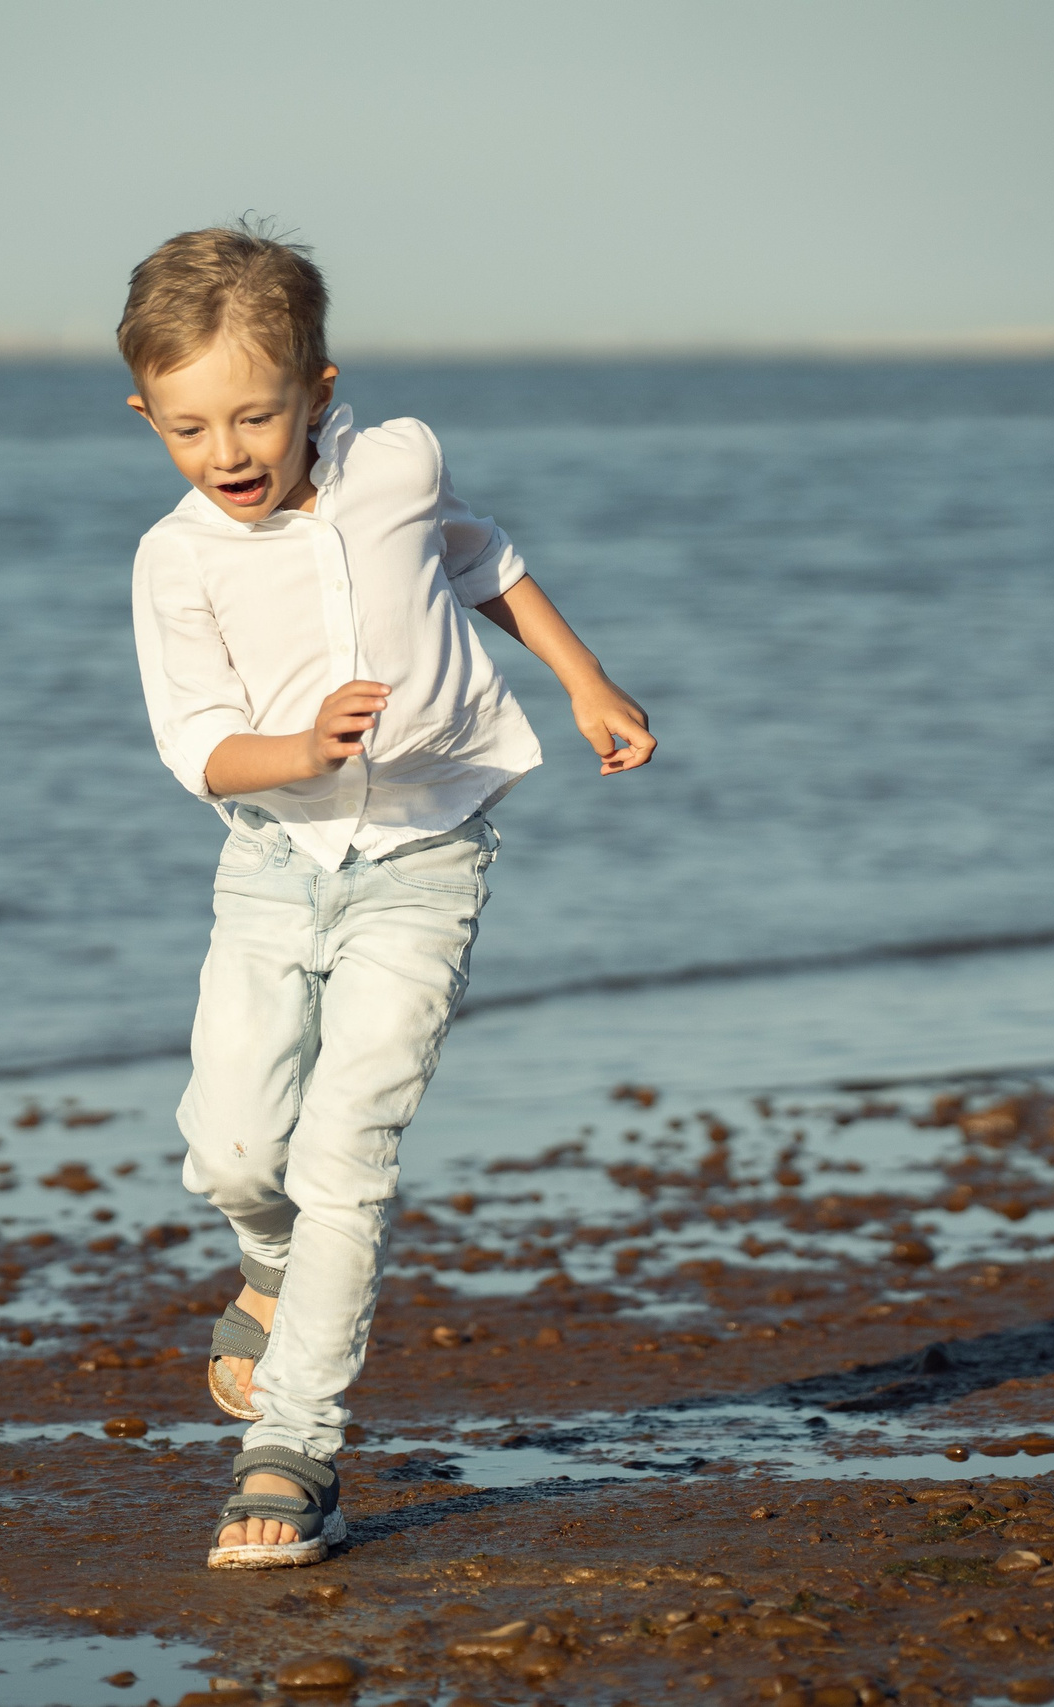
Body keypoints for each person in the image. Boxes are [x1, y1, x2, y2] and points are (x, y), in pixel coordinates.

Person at [120, 221, 655, 1569]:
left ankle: (295, 1450)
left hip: (427, 861)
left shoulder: (399, 463)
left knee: (344, 1158)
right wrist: (301, 750)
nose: (228, 452)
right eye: (190, 428)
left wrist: (585, 681)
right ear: (146, 417)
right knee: (233, 1152)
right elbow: (197, 748)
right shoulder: (176, 560)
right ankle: (269, 1261)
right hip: (271, 865)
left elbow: (484, 561)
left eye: (256, 415)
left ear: (318, 391)